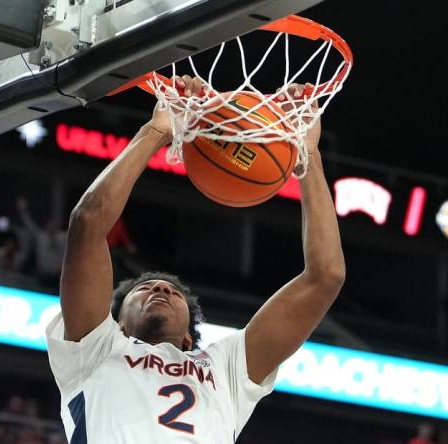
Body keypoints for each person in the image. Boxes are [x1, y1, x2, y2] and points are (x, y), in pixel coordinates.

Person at [45, 77, 345, 443]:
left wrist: (308, 156)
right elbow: (88, 222)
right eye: (143, 289)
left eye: (171, 291)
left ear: (189, 337)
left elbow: (325, 276)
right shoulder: (95, 348)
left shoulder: (226, 368)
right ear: (117, 323)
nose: (159, 287)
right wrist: (156, 131)